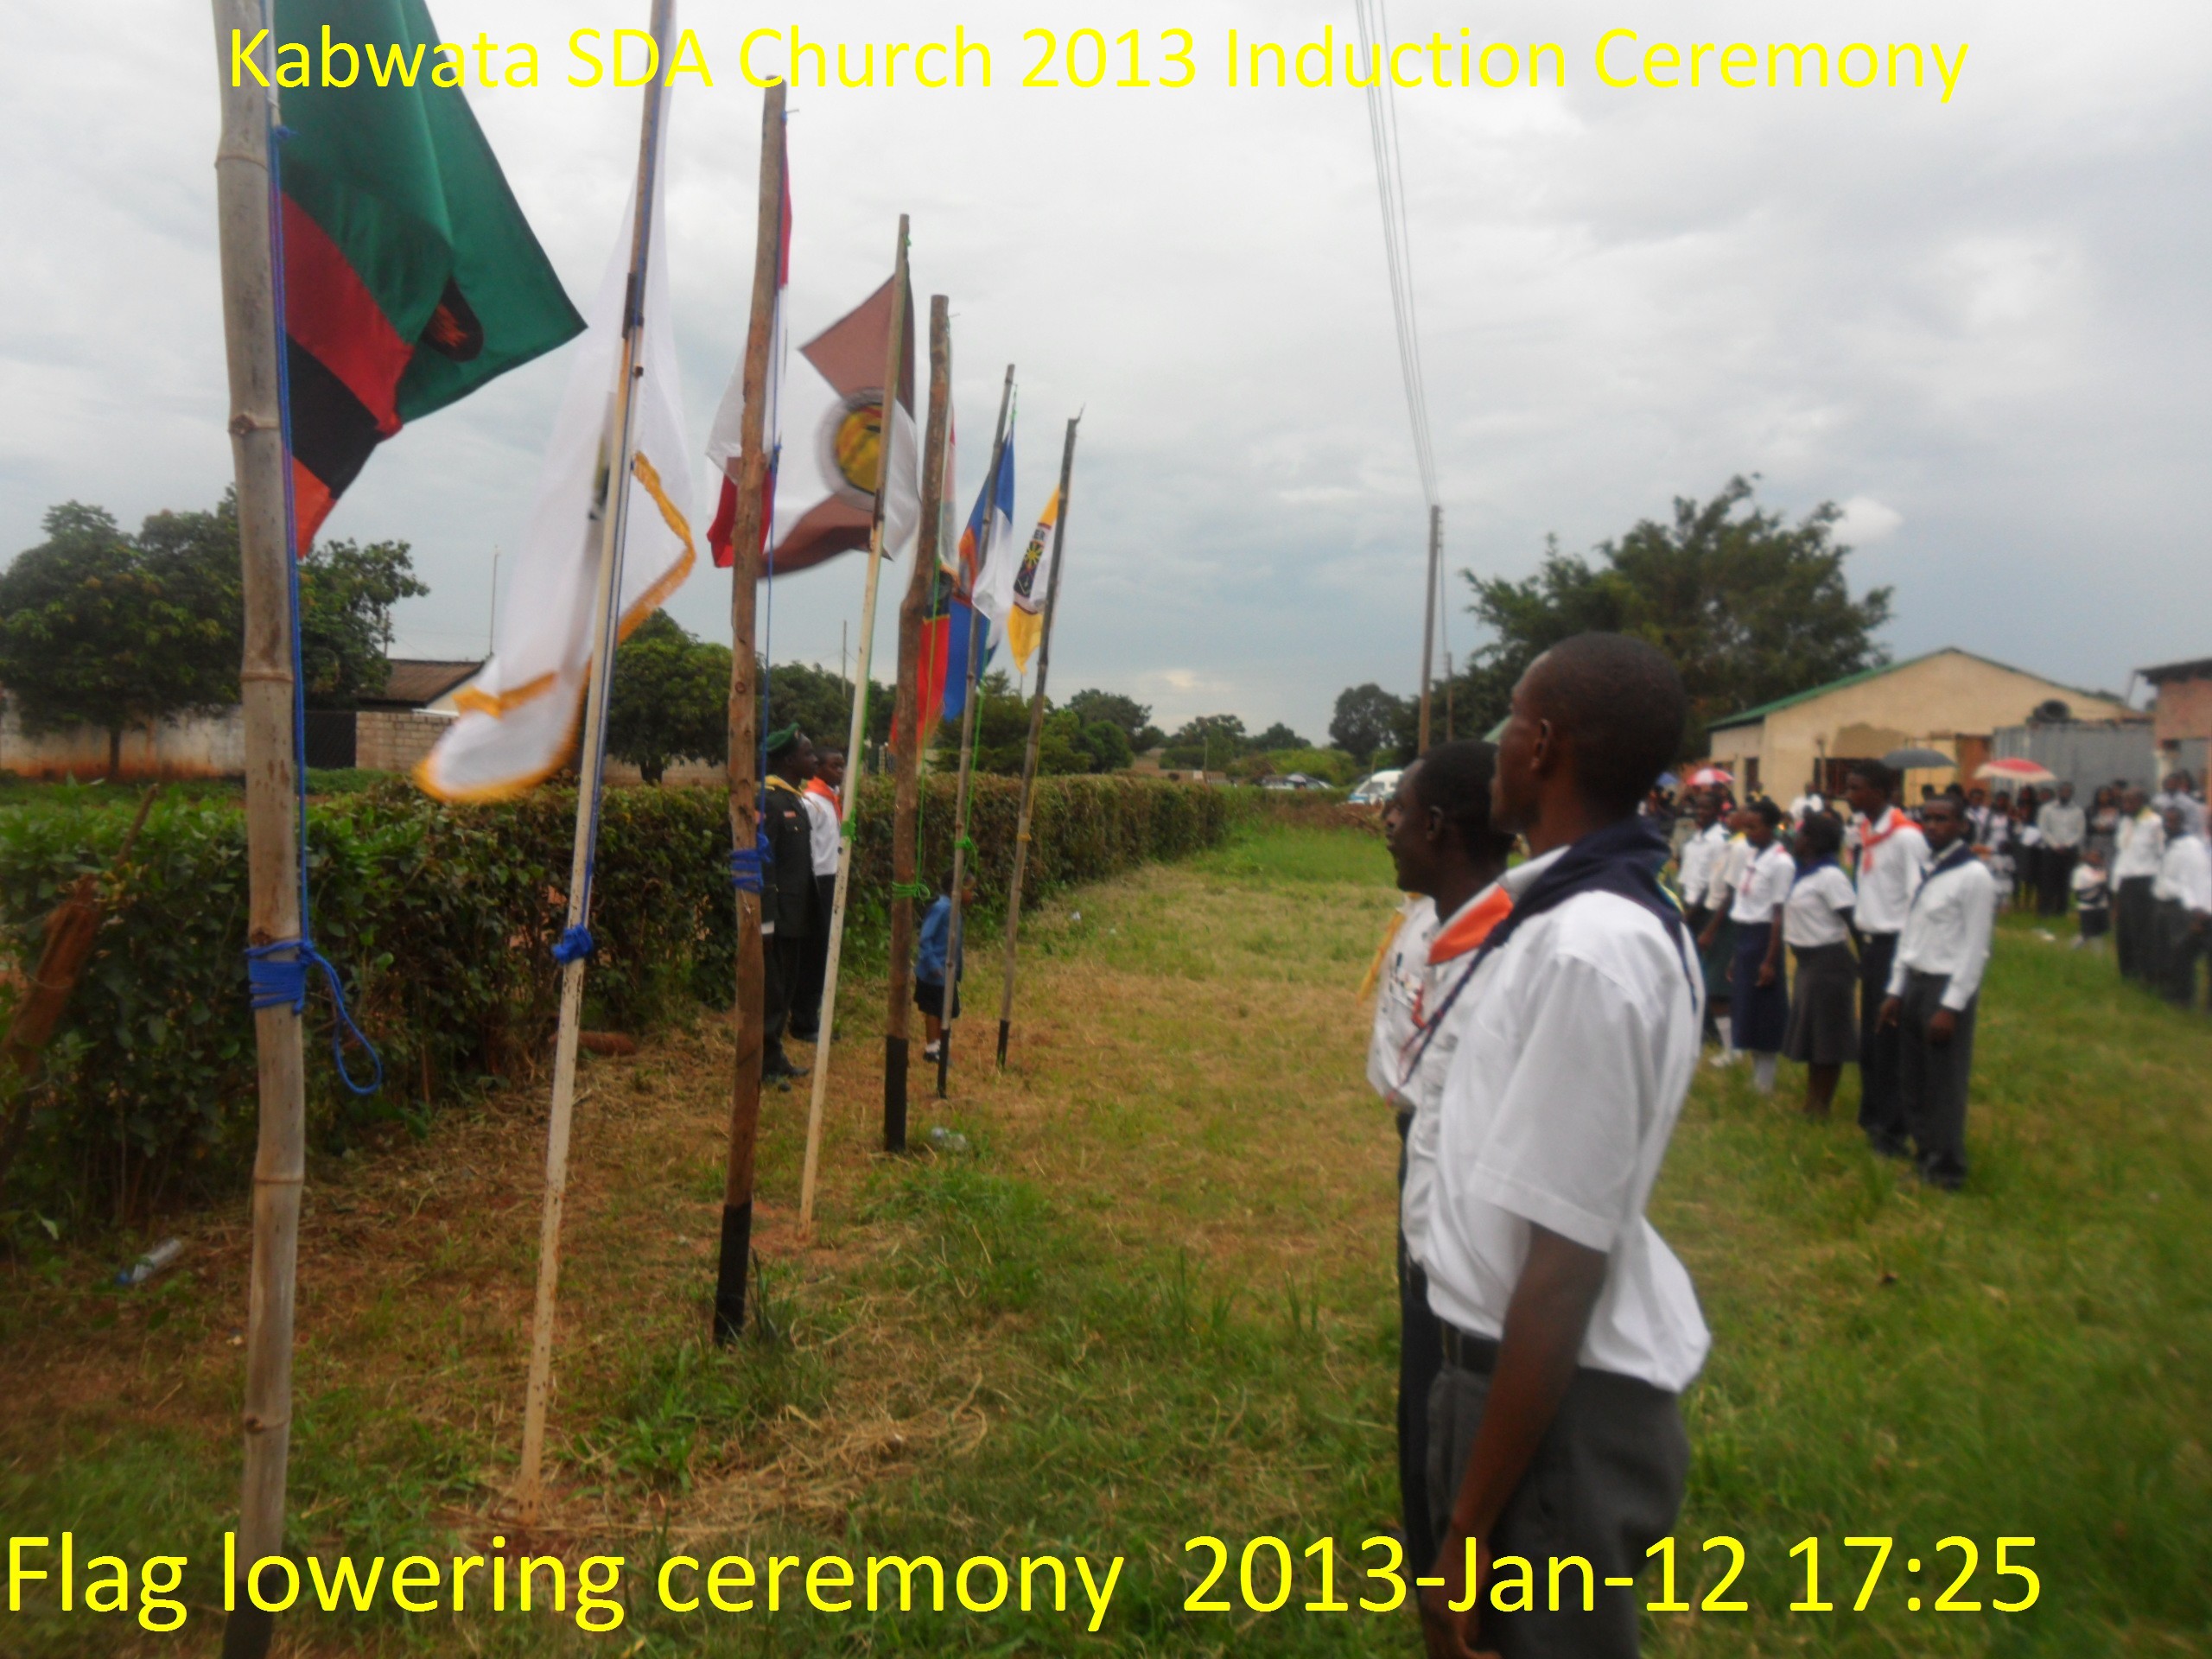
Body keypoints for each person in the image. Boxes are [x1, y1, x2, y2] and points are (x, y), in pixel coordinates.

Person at [1412, 632, 1706, 1659]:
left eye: (1507, 721)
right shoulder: (1573, 915)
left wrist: (1466, 1531)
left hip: (1549, 1414)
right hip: (1514, 1393)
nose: (1493, 744)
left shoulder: (1591, 949)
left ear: (1541, 746)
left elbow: (1563, 1266)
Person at [1376, 743, 1516, 1592]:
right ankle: (1426, 1516)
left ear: (1436, 825)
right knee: (1422, 1353)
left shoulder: (1506, 947)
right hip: (1423, 1144)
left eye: (1397, 809)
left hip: (1467, 1175)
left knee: (1450, 1350)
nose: (1385, 824)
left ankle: (1453, 1546)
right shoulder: (1436, 920)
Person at [1879, 796, 1996, 1191]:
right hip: (1915, 982)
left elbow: (1975, 948)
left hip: (1944, 987)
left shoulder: (1974, 876)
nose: (1932, 825)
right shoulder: (1928, 869)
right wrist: (1895, 990)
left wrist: (1951, 1006)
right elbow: (1911, 934)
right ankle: (1924, 1154)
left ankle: (1946, 1169)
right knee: (1913, 1078)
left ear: (1962, 825)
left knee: (1944, 1082)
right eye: (1926, 818)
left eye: (1943, 819)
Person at [1844, 760, 1929, 1160]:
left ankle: (1893, 1129)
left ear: (1881, 791)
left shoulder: (1906, 837)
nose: (1848, 795)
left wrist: (1907, 958)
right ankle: (1873, 1115)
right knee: (1871, 1039)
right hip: (1872, 944)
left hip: (1896, 944)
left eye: (1856, 787)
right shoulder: (1867, 831)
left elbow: (1918, 899)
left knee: (1889, 1039)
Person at [1783, 814, 1858, 1119]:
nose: (1795, 839)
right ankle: (1812, 1101)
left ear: (1813, 840)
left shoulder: (1830, 876)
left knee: (1828, 1037)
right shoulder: (1805, 874)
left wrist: (1863, 964)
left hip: (1828, 962)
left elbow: (1852, 919)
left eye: (1800, 834)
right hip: (1807, 964)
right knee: (1813, 1036)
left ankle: (1821, 1106)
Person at [760, 728, 818, 1083]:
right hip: (778, 918)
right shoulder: (769, 802)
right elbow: (764, 864)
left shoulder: (793, 800)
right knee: (773, 992)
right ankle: (764, 1063)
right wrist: (766, 922)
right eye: (808, 754)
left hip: (796, 915)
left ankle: (775, 1055)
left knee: (787, 989)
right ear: (788, 760)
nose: (814, 759)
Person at [1726, 798, 1794, 1094]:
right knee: (1747, 1006)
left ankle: (1766, 1078)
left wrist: (1769, 960)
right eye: (1746, 828)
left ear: (1771, 828)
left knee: (1765, 1008)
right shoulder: (1754, 856)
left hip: (1764, 937)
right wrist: (1735, 954)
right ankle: (1756, 1073)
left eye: (1754, 828)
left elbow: (1778, 913)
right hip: (1745, 936)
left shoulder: (1781, 862)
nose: (1749, 834)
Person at [791, 747, 845, 1040]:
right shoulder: (811, 802)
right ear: (819, 769)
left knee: (825, 950)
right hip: (817, 881)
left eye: (842, 765)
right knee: (813, 952)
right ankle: (804, 1021)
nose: (841, 771)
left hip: (832, 879)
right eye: (834, 766)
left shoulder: (831, 799)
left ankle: (814, 1013)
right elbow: (807, 847)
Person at [1674, 791, 1730, 1042]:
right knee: (1688, 964)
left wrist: (1692, 912)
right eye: (1698, 808)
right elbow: (1686, 879)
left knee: (1706, 968)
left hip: (1705, 909)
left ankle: (1712, 1027)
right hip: (1688, 906)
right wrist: (1681, 905)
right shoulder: (1694, 841)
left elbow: (1713, 882)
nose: (1700, 812)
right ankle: (1695, 1020)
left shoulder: (1720, 840)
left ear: (1717, 811)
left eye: (1706, 808)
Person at [1696, 802, 1751, 1052]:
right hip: (1715, 913)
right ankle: (1731, 1046)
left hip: (1724, 919)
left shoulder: (1739, 847)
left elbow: (1731, 892)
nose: (1730, 816)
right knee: (1716, 985)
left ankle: (1732, 1047)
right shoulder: (1730, 844)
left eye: (1736, 814)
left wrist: (1710, 930)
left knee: (1719, 987)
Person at [2152, 804, 2211, 1008]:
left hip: (2202, 910)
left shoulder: (2194, 847)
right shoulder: (2200, 846)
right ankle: (2180, 998)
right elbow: (2187, 880)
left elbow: (2202, 882)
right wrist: (2194, 908)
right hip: (2193, 909)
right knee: (2180, 954)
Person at [914, 874, 975, 1061]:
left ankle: (940, 1046)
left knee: (944, 1009)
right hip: (935, 972)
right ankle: (932, 1048)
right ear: (956, 889)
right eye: (970, 890)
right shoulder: (941, 909)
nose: (973, 894)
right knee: (933, 1009)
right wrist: (933, 965)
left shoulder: (954, 910)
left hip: (947, 972)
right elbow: (925, 939)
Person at [2112, 789, 2165, 982]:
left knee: (2141, 929)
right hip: (2125, 880)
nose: (2126, 806)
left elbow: (2162, 853)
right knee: (2124, 929)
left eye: (2131, 802)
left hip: (2145, 880)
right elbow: (2122, 854)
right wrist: (2116, 887)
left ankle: (2146, 972)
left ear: (2141, 801)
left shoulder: (2154, 822)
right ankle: (2128, 971)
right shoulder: (2125, 822)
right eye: (2124, 802)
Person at [2036, 781, 2085, 918]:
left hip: (2069, 850)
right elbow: (2043, 829)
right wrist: (2055, 845)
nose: (2065, 794)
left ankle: (2061, 909)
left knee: (2065, 880)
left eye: (2068, 792)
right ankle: (2045, 909)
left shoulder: (2078, 811)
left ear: (2071, 794)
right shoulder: (2047, 809)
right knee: (2048, 880)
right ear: (2058, 792)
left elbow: (2080, 832)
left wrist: (2068, 845)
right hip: (2051, 849)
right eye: (2062, 791)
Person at [2070, 847, 2111, 951]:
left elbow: (2104, 885)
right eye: (2093, 857)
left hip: (2101, 905)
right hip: (2087, 906)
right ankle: (2073, 948)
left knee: (2098, 932)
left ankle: (2099, 953)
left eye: (2098, 857)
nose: (2096, 859)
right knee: (2087, 932)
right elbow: (2077, 889)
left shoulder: (2102, 870)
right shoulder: (2081, 871)